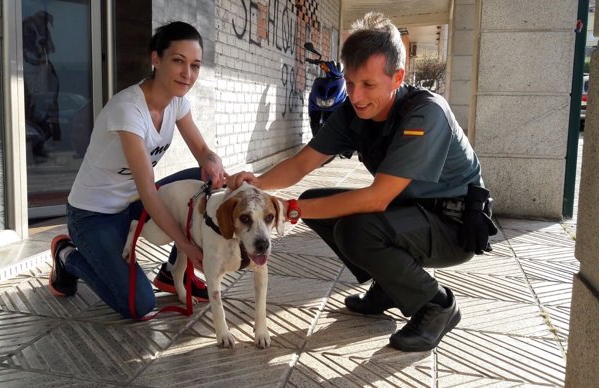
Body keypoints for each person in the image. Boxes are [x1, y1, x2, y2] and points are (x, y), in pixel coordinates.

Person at [227, 11, 497, 352]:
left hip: (452, 224)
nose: (356, 96)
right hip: (410, 212)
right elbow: (302, 163)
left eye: (369, 84)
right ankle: (390, 283)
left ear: (397, 77)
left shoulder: (426, 113)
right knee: (317, 201)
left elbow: (376, 199)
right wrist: (258, 182)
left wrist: (289, 209)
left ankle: (436, 304)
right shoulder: (354, 111)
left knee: (357, 230)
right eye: (351, 83)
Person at [48, 21, 227, 319]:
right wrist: (186, 243)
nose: (187, 74)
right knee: (139, 305)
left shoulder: (177, 103)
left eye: (195, 65)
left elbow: (202, 153)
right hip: (94, 214)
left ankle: (173, 273)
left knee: (203, 179)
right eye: (178, 61)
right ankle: (67, 256)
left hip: (133, 204)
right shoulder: (128, 109)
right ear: (156, 59)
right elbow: (148, 190)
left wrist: (212, 159)